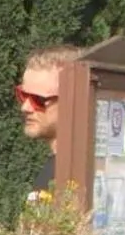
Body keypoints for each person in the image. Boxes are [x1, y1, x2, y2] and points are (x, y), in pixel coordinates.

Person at [17, 44, 79, 194]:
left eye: (38, 99)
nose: (25, 107)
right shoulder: (56, 168)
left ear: (72, 100)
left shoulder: (76, 175)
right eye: (23, 95)